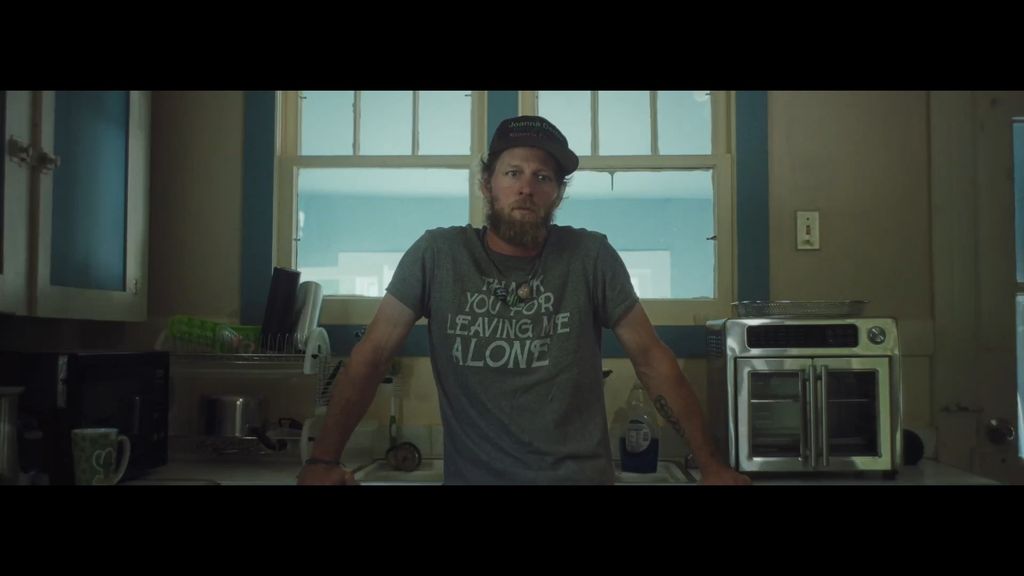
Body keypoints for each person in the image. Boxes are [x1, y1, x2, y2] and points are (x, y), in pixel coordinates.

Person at [298, 115, 750, 485]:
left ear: (558, 193)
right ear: (487, 183)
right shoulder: (437, 255)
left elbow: (652, 360)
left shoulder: (590, 256)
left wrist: (711, 466)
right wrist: (322, 460)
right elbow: (373, 354)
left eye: (542, 177)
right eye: (513, 173)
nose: (526, 189)